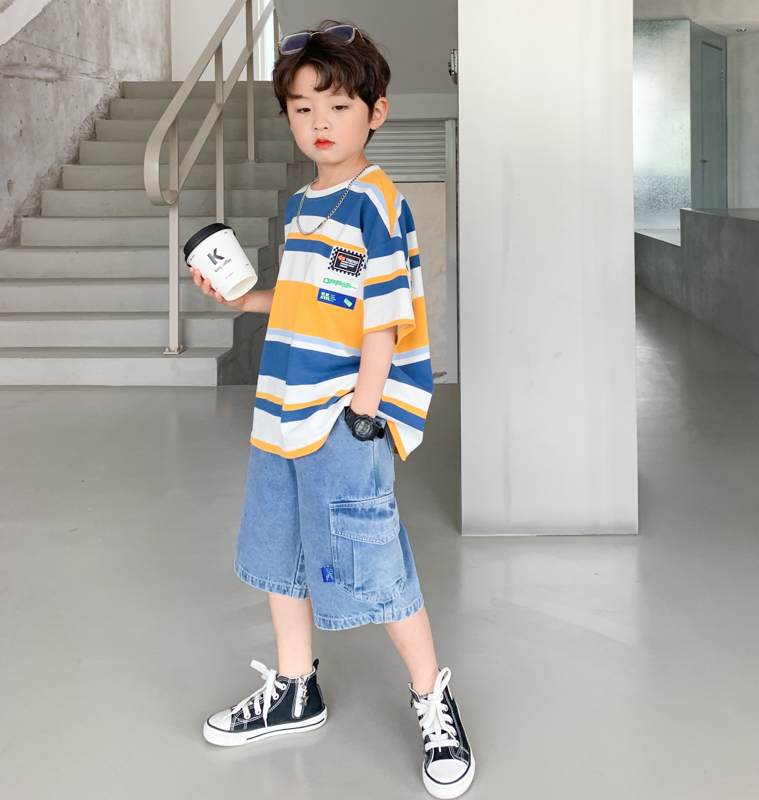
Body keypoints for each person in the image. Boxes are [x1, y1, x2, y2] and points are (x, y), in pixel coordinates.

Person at [188, 21, 475, 799]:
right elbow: (305, 298)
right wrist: (242, 298)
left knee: (376, 565)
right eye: (303, 107)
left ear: (375, 113)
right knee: (278, 552)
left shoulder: (376, 201)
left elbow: (382, 320)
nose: (320, 122)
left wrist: (363, 416)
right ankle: (295, 690)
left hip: (341, 420)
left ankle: (432, 698)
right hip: (279, 413)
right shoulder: (303, 206)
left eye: (338, 105)